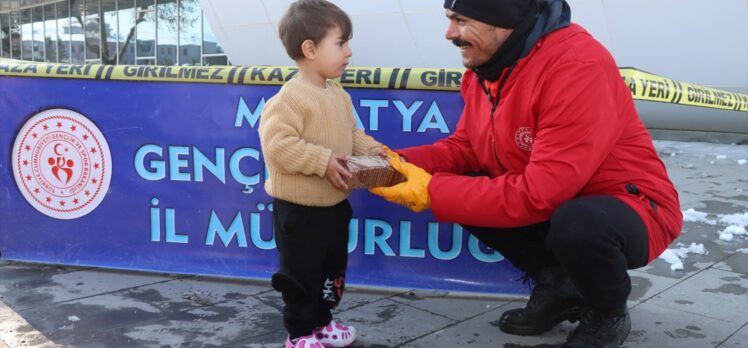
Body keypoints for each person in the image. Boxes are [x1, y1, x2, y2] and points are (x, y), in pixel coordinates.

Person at [369, 0, 683, 347]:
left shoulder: (577, 64)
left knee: (577, 224)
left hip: (631, 206)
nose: (449, 34)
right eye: (449, 20)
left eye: (461, 20)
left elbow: (540, 194)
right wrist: (389, 162)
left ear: (501, 21)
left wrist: (430, 190)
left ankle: (607, 312)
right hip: (555, 199)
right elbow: (466, 149)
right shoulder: (484, 70)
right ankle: (559, 287)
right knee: (465, 191)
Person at [258, 1, 387, 347]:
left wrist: (378, 153)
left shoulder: (338, 95)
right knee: (300, 277)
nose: (349, 51)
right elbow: (277, 146)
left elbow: (353, 135)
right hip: (299, 213)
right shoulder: (290, 99)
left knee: (330, 273)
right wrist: (324, 161)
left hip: (333, 206)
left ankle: (322, 323)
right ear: (310, 49)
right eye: (341, 43)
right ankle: (299, 335)